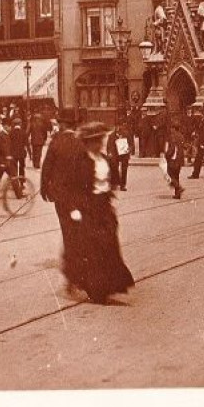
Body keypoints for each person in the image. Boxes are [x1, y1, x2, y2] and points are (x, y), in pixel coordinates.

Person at [68, 121, 134, 305]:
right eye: (96, 141)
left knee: (109, 244)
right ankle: (97, 289)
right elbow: (74, 188)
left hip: (104, 207)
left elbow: (114, 180)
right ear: (88, 143)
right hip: (88, 208)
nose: (100, 144)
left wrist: (111, 196)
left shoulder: (105, 160)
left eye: (100, 140)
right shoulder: (81, 162)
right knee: (93, 249)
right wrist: (74, 209)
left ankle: (111, 285)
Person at [41, 119, 88, 296]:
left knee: (67, 230)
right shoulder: (80, 143)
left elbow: (47, 167)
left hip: (61, 198)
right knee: (77, 231)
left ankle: (71, 271)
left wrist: (45, 189)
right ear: (75, 126)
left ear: (62, 125)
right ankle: (76, 272)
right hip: (78, 197)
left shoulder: (56, 142)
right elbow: (85, 170)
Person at [106, 122, 132, 191]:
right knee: (114, 167)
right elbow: (109, 146)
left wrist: (129, 149)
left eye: (119, 127)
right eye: (116, 127)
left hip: (124, 154)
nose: (118, 128)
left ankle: (123, 185)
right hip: (115, 154)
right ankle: (115, 183)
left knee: (124, 169)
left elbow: (131, 144)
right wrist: (109, 153)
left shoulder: (126, 134)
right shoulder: (111, 135)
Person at [163, 121, 185, 199]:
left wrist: (166, 155)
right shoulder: (181, 136)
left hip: (173, 159)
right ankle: (177, 194)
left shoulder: (172, 136)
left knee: (169, 173)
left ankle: (178, 188)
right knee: (176, 175)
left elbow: (171, 148)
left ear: (173, 128)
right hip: (179, 159)